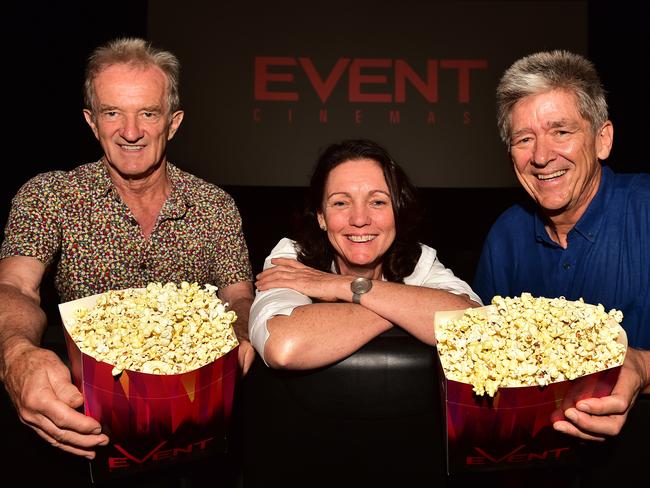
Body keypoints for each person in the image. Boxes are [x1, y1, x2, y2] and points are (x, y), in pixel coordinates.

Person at [0, 37, 255, 467]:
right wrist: (15, 352)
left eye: (148, 114)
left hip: (197, 437)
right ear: (91, 121)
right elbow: (15, 286)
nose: (131, 131)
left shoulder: (215, 206)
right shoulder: (50, 196)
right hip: (86, 434)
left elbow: (238, 297)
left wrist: (243, 338)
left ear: (172, 124)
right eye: (112, 112)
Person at [473, 50, 650, 442]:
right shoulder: (505, 237)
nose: (540, 155)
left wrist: (643, 367)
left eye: (561, 132)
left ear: (602, 140)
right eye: (524, 139)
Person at [249, 138, 481, 369]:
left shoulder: (418, 259)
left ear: (397, 212)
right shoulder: (292, 258)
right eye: (341, 203)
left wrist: (341, 286)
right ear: (321, 216)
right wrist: (410, 311)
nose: (359, 220)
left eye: (378, 202)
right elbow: (284, 347)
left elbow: (478, 326)